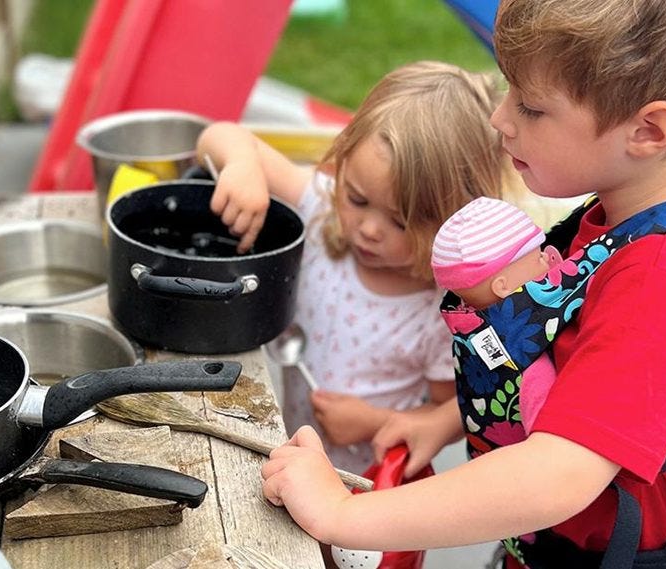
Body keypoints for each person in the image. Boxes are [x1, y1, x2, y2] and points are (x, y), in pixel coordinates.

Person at [259, 2, 666, 568]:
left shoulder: (665, 280)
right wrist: (442, 419)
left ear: (648, 130)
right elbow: (578, 374)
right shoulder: (640, 213)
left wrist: (341, 514)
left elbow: (560, 474)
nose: (501, 119)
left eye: (531, 107)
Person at [196, 61, 511, 474]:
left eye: (400, 221)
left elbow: (450, 409)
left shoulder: (440, 311)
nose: (368, 229)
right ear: (342, 164)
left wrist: (372, 423)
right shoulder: (319, 209)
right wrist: (241, 164)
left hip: (363, 484)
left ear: (457, 220)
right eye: (358, 199)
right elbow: (214, 136)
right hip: (290, 456)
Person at [432, 196, 566, 435]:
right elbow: (550, 439)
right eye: (538, 257)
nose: (547, 259)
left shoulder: (469, 333)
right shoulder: (526, 355)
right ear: (503, 286)